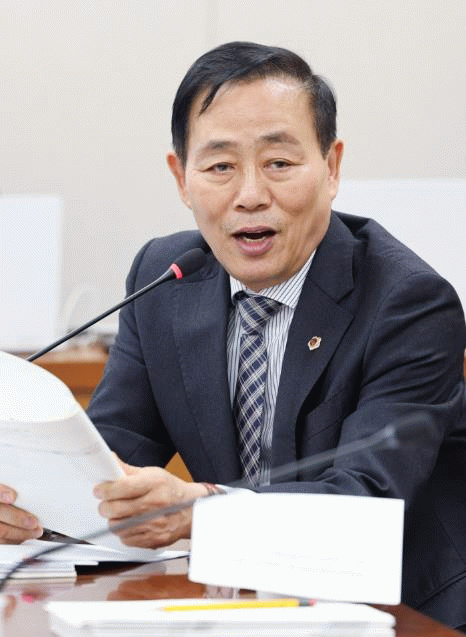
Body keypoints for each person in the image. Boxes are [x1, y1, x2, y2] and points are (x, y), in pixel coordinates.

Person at [1, 42, 466, 628]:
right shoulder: (164, 277)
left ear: (332, 168)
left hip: (402, 609)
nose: (250, 195)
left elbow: (368, 500)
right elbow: (111, 459)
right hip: (244, 601)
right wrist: (29, 502)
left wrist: (206, 510)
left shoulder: (408, 303)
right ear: (181, 178)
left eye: (279, 163)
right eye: (220, 166)